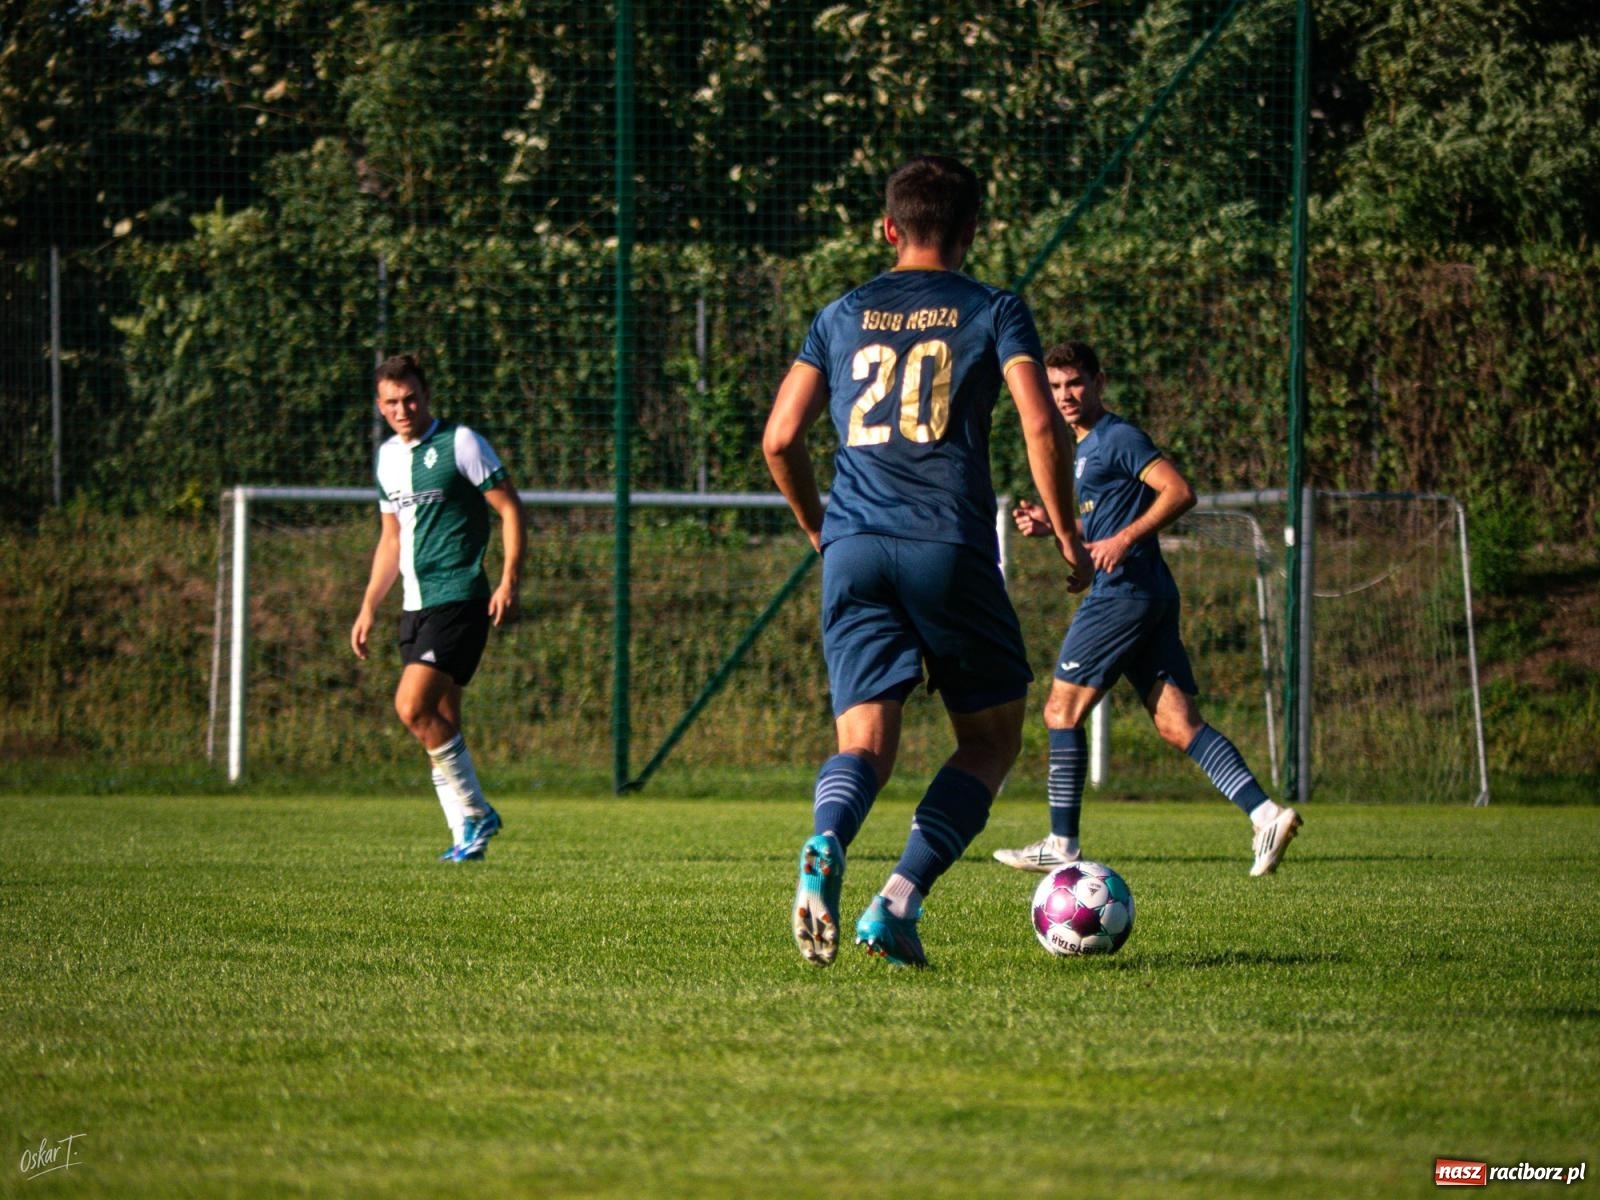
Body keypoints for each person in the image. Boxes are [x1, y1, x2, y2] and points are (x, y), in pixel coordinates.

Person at [763, 155, 1089, 968]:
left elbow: (778, 438)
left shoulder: (839, 314)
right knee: (990, 740)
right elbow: (1041, 424)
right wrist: (1069, 534)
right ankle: (896, 903)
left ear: (888, 229)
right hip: (947, 542)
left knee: (864, 745)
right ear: (972, 230)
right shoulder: (994, 307)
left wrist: (820, 528)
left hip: (855, 547)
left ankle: (827, 840)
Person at [990, 340, 1301, 878]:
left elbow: (1178, 491)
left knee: (1060, 711)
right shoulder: (1084, 448)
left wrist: (1124, 540)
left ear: (1099, 382)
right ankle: (1266, 814)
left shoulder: (1117, 437)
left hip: (1122, 594)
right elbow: (1106, 522)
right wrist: (1057, 527)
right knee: (1179, 724)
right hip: (1147, 593)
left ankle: (1062, 844)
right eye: (1056, 386)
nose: (1065, 395)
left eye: (1075, 383)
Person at [350, 353, 525, 862]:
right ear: (380, 406)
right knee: (441, 720)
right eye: (392, 402)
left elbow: (511, 508)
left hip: (460, 597)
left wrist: (509, 580)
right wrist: (368, 605)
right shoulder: (386, 458)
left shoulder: (460, 443)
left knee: (412, 707)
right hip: (415, 604)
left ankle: (477, 811)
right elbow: (390, 539)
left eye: (410, 399)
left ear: (426, 396)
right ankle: (466, 838)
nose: (402, 410)